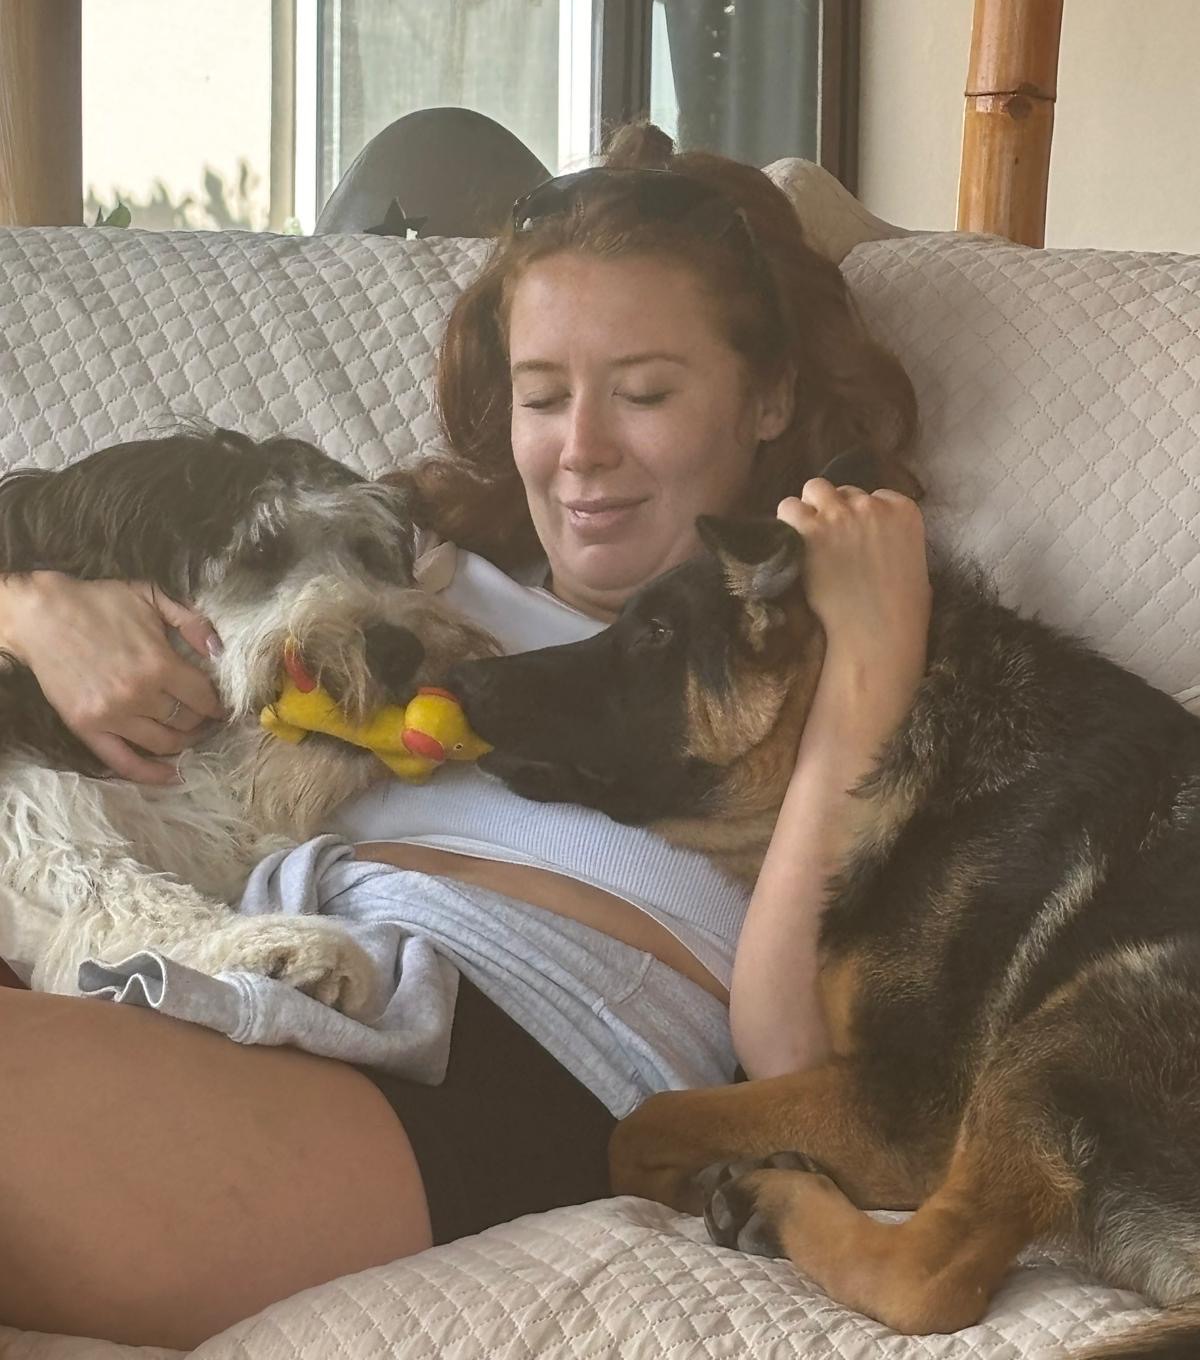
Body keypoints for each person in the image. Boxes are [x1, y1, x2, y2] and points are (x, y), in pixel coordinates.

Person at [0, 124, 931, 1349]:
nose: (581, 451)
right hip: (224, 947)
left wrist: (868, 672)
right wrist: (30, 610)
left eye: (645, 393)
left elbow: (790, 1050)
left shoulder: (802, 656)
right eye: (543, 396)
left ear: (769, 397)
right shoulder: (401, 562)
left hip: (500, 1052)